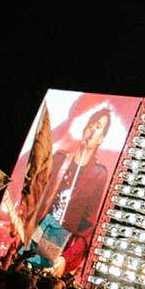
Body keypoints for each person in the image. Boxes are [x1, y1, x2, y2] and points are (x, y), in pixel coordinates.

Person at [32, 107, 114, 276]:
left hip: (60, 244)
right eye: (90, 125)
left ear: (102, 138)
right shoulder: (60, 159)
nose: (92, 129)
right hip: (38, 232)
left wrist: (66, 259)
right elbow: (35, 196)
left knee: (40, 280)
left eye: (98, 126)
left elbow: (87, 228)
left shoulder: (98, 174)